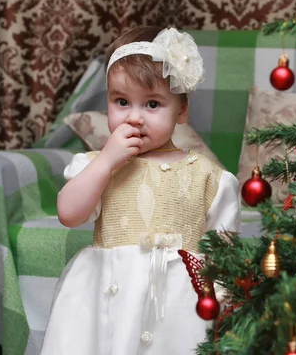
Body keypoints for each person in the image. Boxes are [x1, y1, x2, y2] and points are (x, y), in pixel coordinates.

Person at [40, 26, 241, 355]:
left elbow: (226, 255)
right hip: (105, 300)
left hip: (177, 310)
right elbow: (69, 214)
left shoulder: (210, 177)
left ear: (181, 110)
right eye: (121, 102)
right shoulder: (96, 166)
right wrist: (106, 161)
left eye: (152, 104)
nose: (134, 117)